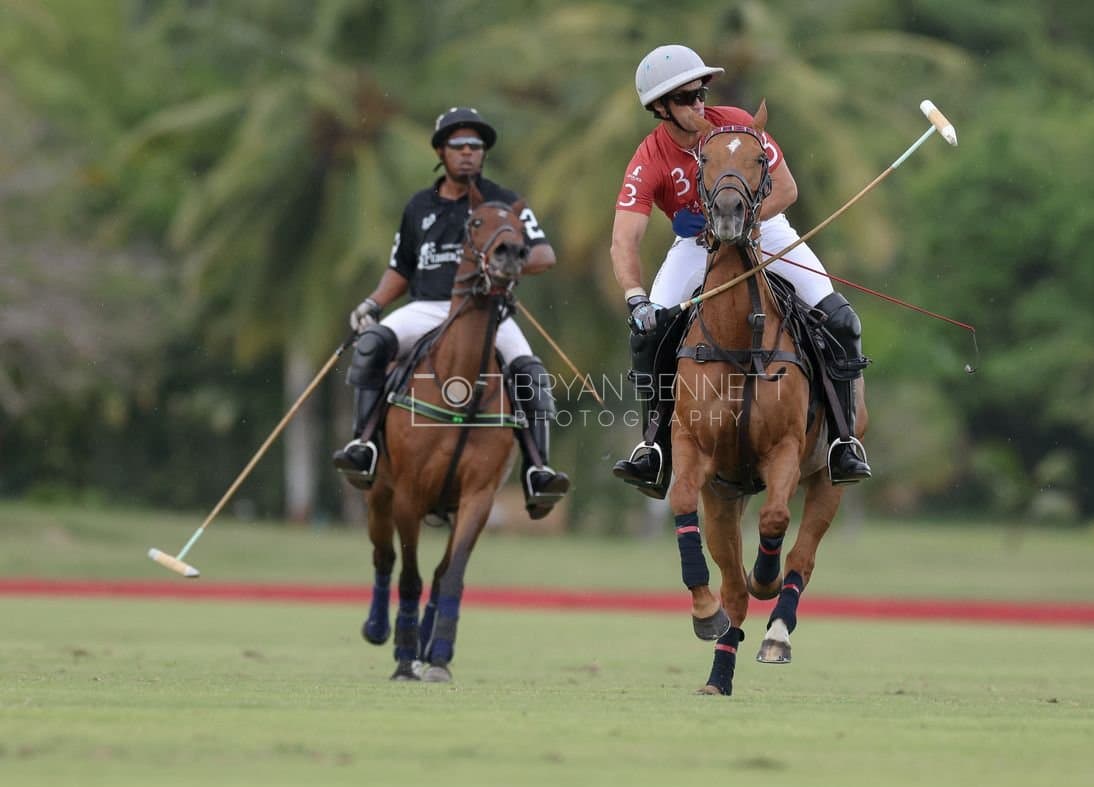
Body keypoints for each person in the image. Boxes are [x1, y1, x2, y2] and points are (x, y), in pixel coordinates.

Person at [610, 45, 872, 498]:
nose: (700, 104)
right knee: (647, 334)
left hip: (765, 229)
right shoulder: (649, 158)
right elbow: (623, 240)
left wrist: (742, 222)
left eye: (701, 93)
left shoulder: (738, 125)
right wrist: (635, 296)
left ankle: (843, 441)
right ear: (660, 108)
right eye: (687, 98)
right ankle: (653, 448)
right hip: (696, 248)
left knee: (842, 320)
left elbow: (786, 189)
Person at [333, 106, 570, 519]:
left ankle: (538, 470)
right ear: (441, 152)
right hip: (426, 307)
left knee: (531, 373)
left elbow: (544, 254)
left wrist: (509, 262)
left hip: (486, 311)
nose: (467, 152)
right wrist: (373, 303)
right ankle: (365, 445)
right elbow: (401, 267)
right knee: (372, 345)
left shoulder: (504, 201)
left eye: (475, 146)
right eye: (458, 145)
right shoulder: (418, 208)